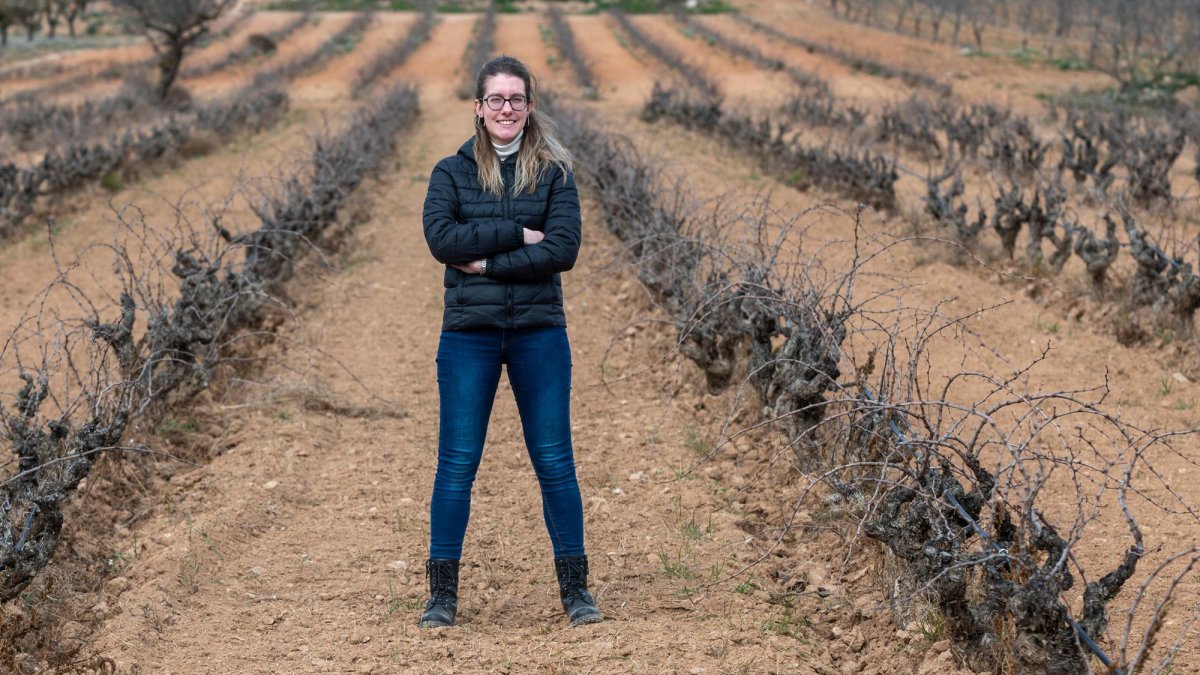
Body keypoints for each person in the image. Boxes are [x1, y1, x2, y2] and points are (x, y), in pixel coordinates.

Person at [418, 55, 601, 629]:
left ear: (529, 106)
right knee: (456, 465)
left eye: (516, 99)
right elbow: (441, 239)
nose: (506, 109)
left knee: (554, 463)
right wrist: (518, 234)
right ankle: (441, 597)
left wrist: (488, 263)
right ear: (478, 108)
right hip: (468, 336)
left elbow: (563, 251)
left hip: (538, 334)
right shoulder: (450, 172)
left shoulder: (554, 174)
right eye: (495, 99)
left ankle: (577, 593)